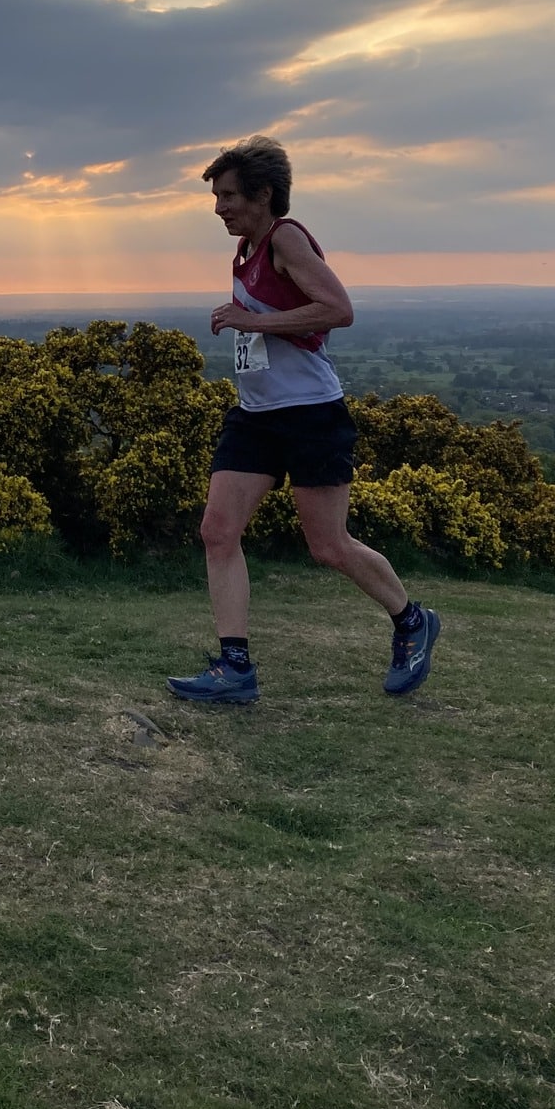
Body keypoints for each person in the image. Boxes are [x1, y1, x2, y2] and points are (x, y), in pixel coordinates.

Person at [166, 134, 439, 706]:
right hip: (255, 416)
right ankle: (234, 668)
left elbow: (338, 309)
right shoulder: (246, 249)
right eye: (216, 197)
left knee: (329, 546)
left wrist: (251, 321)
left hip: (311, 415)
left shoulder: (285, 238)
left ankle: (412, 620)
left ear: (264, 194)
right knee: (218, 531)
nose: (219, 208)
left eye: (228, 196)